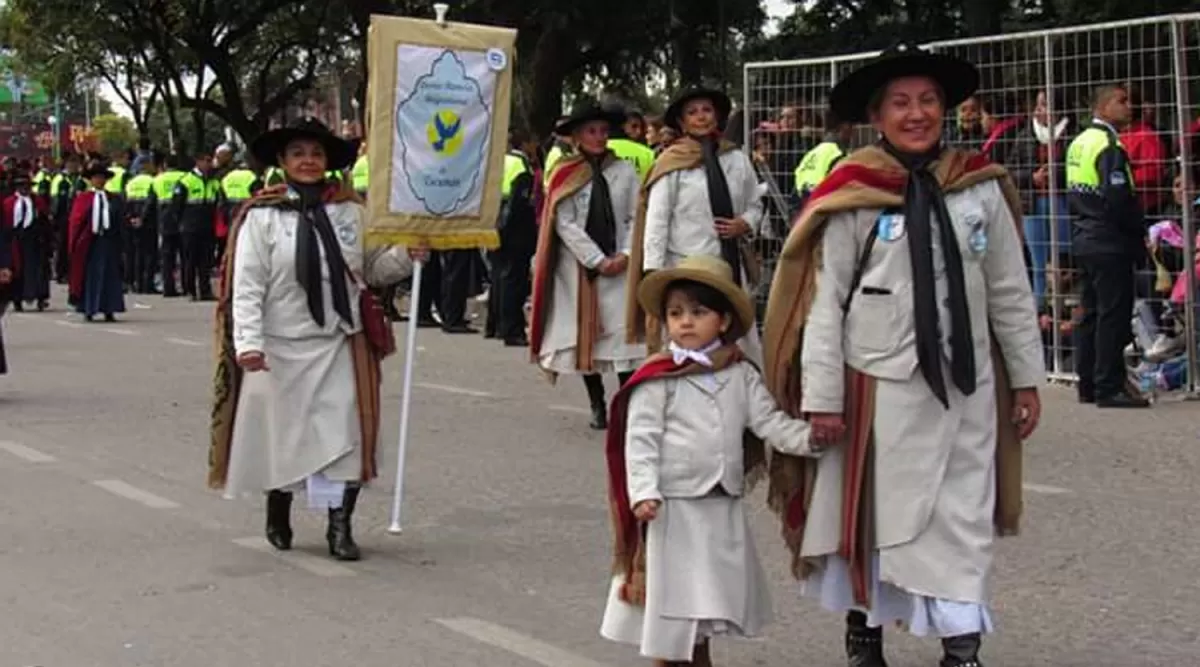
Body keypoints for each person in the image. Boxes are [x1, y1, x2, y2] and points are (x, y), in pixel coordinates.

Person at [760, 42, 1045, 667]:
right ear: (877, 115)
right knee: (873, 520)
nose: (917, 114)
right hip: (879, 388)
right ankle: (865, 636)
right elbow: (823, 304)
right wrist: (822, 401)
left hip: (966, 387)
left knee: (962, 520)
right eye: (901, 103)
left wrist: (1025, 379)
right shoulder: (852, 192)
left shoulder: (980, 186)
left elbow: (1009, 289)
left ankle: (961, 649)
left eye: (929, 101)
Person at [208, 118, 422, 562]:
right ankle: (279, 504)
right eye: (299, 153)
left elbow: (373, 270)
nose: (308, 161)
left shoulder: (352, 210)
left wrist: (408, 254)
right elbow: (247, 285)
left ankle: (339, 527)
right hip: (280, 345)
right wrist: (249, 342)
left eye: (317, 154)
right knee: (284, 437)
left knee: (347, 433)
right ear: (283, 163)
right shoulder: (262, 217)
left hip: (341, 340)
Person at [600, 254, 821, 667]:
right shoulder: (658, 379)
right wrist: (643, 492)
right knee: (672, 613)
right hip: (673, 507)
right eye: (675, 313)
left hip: (719, 507)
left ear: (723, 321)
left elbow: (769, 422)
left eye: (698, 312)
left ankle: (698, 659)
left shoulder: (741, 374)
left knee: (704, 606)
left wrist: (811, 438)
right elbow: (641, 441)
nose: (685, 322)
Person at [529, 102, 646, 429]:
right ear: (577, 136)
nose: (599, 137)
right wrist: (595, 259)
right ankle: (597, 402)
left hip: (621, 264)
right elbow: (563, 222)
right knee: (588, 338)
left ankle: (626, 404)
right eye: (591, 131)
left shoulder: (624, 170)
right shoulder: (564, 173)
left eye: (603, 131)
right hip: (580, 269)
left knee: (624, 339)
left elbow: (637, 214)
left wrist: (625, 254)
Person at [626, 87, 764, 362]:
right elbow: (657, 220)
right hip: (686, 267)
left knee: (737, 337)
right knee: (691, 340)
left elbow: (755, 203)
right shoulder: (671, 163)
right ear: (681, 122)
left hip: (729, 265)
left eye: (707, 110)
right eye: (693, 112)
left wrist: (745, 223)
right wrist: (653, 273)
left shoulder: (737, 159)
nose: (701, 118)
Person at [1067, 84, 1149, 408]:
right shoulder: (1108, 145)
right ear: (1102, 107)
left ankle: (1087, 383)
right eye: (1122, 100)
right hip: (1109, 239)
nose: (1130, 106)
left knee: (1091, 312)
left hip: (1084, 235)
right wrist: (1136, 231)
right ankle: (1109, 386)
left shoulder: (1079, 142)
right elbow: (1117, 198)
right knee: (1113, 314)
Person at [67, 161, 126, 322]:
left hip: (108, 242)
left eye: (102, 177)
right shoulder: (83, 198)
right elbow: (76, 221)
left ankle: (109, 308)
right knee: (91, 275)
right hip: (90, 243)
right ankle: (89, 308)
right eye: (96, 177)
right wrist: (75, 243)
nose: (99, 180)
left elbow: (119, 219)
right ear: (90, 180)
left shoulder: (113, 198)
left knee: (110, 275)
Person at [167, 150, 220, 301]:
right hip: (190, 226)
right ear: (198, 162)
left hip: (207, 226)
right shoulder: (186, 181)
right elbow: (176, 206)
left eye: (210, 161)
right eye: (206, 161)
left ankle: (205, 290)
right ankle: (189, 289)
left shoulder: (213, 181)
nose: (209, 164)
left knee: (206, 260)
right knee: (190, 260)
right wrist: (180, 224)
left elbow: (216, 203)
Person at [4, 168, 51, 311]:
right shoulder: (9, 203)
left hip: (35, 240)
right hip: (16, 240)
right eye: (22, 186)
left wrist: (47, 238)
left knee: (39, 270)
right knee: (18, 270)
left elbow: (45, 220)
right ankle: (17, 299)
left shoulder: (37, 201)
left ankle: (40, 297)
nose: (25, 189)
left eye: (27, 186)